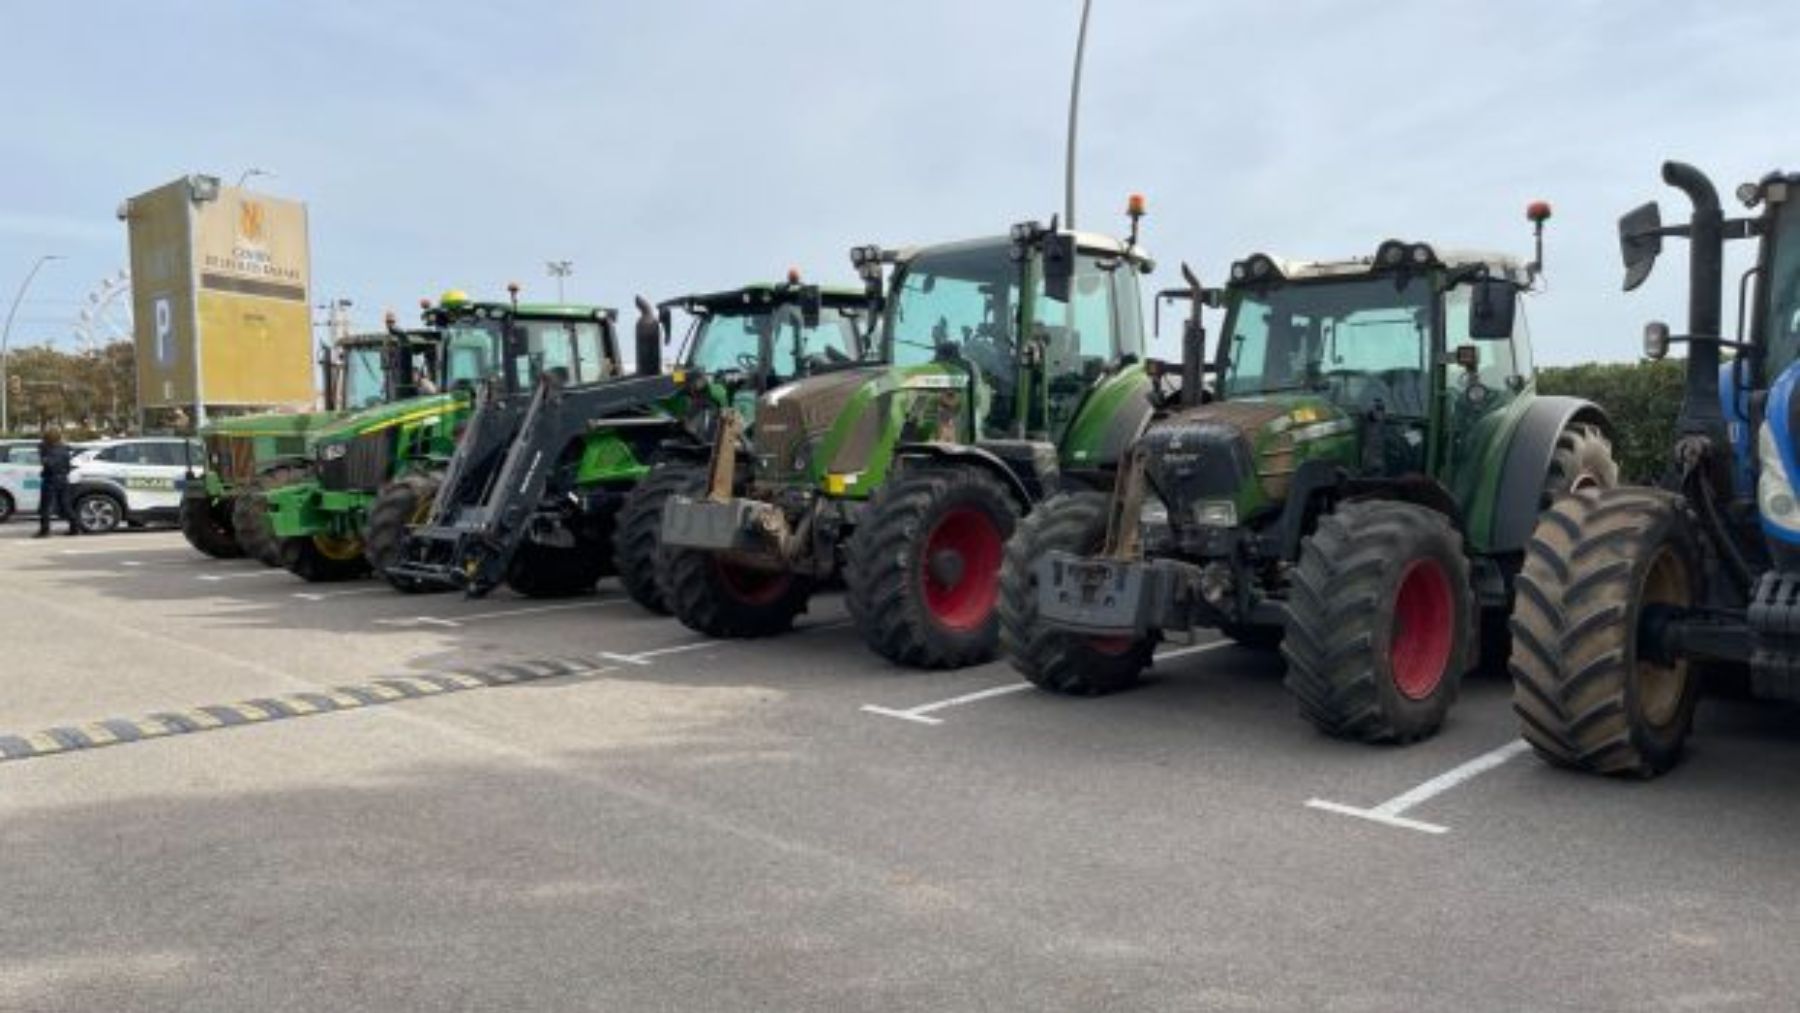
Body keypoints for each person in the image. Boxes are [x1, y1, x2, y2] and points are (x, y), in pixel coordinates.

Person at [35, 428, 78, 538]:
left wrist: (42, 456)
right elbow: (68, 466)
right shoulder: (65, 449)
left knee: (46, 506)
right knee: (65, 505)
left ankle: (44, 530)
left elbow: (48, 464)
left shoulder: (47, 450)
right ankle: (74, 527)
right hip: (63, 479)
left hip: (50, 479)